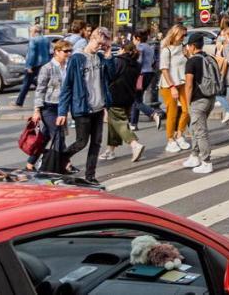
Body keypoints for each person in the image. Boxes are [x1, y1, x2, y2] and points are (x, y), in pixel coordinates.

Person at [57, 27, 114, 184]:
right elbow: (67, 86)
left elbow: (112, 76)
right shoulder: (77, 58)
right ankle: (60, 158)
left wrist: (109, 57)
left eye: (103, 44)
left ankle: (90, 176)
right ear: (92, 38)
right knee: (82, 142)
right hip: (82, 108)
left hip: (98, 107)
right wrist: (62, 112)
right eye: (98, 43)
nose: (100, 46)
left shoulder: (101, 58)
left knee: (96, 143)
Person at [29, 40, 71, 171]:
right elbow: (40, 89)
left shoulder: (68, 66)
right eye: (66, 51)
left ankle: (30, 163)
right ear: (56, 52)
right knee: (58, 136)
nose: (68, 54)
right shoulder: (47, 68)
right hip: (48, 107)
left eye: (70, 51)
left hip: (61, 107)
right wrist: (36, 110)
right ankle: (62, 165)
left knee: (45, 136)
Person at [179, 34, 218, 175]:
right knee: (196, 128)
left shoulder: (192, 62)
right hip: (210, 98)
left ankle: (206, 162)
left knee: (200, 132)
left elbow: (188, 85)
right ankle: (194, 156)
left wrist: (188, 103)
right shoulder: (209, 58)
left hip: (198, 100)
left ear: (192, 46)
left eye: (188, 46)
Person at [103, 40, 145, 163]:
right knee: (114, 123)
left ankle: (134, 144)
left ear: (122, 49)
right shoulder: (137, 64)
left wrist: (108, 59)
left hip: (115, 96)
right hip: (129, 97)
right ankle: (110, 150)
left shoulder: (118, 61)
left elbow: (111, 76)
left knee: (119, 123)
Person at [158, 24, 190, 153]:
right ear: (175, 34)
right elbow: (164, 70)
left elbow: (188, 63)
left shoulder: (183, 48)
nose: (184, 37)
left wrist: (188, 56)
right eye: (182, 35)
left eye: (185, 35)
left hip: (182, 82)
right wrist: (172, 87)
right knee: (172, 113)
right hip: (168, 84)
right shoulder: (167, 50)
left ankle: (179, 135)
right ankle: (170, 140)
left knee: (187, 109)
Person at [130, 29, 161, 130]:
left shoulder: (140, 47)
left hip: (141, 75)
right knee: (137, 98)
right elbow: (153, 61)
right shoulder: (149, 47)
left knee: (136, 100)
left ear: (137, 38)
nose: (133, 40)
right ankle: (133, 124)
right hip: (149, 74)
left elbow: (138, 61)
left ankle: (153, 113)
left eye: (133, 38)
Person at [15, 25, 51, 107]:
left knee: (26, 83)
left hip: (35, 65)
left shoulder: (33, 40)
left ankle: (19, 102)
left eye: (30, 31)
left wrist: (29, 66)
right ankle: (46, 101)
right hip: (45, 64)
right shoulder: (46, 39)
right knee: (43, 83)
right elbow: (49, 52)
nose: (30, 33)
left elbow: (32, 54)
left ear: (34, 32)